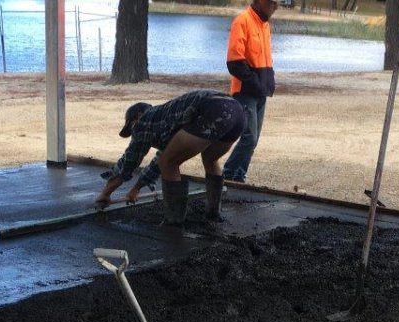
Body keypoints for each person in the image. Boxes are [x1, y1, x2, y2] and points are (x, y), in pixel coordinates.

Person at [95, 89, 247, 227]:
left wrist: (105, 194)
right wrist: (136, 189)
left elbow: (129, 163)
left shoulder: (145, 120)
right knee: (209, 160)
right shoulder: (168, 120)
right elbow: (158, 163)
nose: (134, 132)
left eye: (132, 127)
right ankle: (214, 214)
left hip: (214, 109)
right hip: (237, 112)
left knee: (169, 163)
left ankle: (174, 222)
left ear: (138, 116)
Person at [223, 0, 277, 184]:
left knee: (254, 140)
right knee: (249, 138)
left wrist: (270, 81)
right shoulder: (242, 21)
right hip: (245, 92)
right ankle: (227, 175)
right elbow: (234, 62)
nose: (275, 7)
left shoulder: (265, 25)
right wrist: (254, 82)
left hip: (261, 92)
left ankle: (239, 177)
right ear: (261, 2)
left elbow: (266, 58)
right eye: (272, 3)